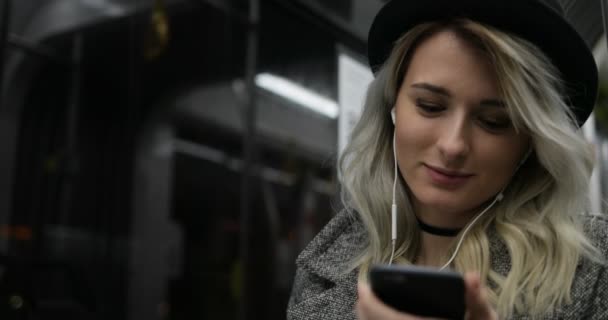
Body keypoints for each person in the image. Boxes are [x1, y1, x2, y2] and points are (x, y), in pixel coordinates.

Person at [287, 0, 608, 319]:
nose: (453, 145)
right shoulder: (327, 265)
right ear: (392, 107)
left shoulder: (593, 269)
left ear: (531, 143)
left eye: (494, 121)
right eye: (430, 106)